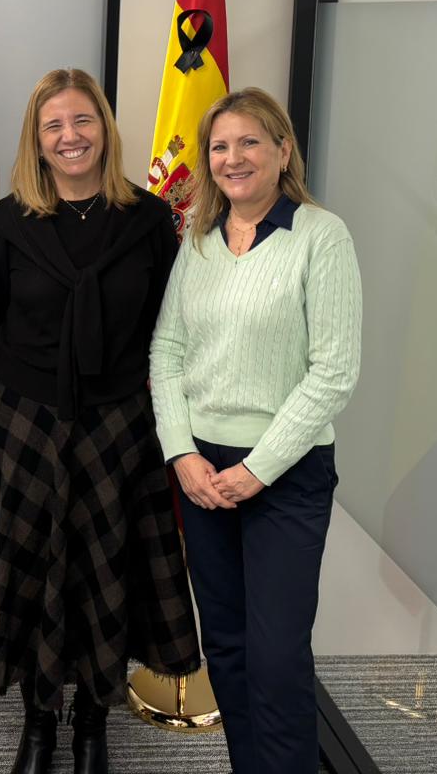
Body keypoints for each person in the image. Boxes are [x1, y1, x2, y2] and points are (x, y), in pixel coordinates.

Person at [0, 69, 199, 774]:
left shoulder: (149, 220)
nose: (70, 137)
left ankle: (93, 722)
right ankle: (38, 723)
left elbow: (167, 324)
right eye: (54, 126)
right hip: (27, 425)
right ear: (36, 140)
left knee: (107, 573)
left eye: (82, 121)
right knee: (32, 574)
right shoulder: (5, 224)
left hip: (119, 428)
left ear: (104, 128)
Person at [150, 87, 361, 774]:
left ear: (282, 150)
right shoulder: (199, 238)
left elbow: (334, 373)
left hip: (285, 472)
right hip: (202, 473)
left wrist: (256, 469)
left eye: (249, 142)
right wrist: (181, 454)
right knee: (230, 650)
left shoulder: (321, 236)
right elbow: (167, 351)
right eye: (219, 146)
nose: (232, 158)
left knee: (276, 659)